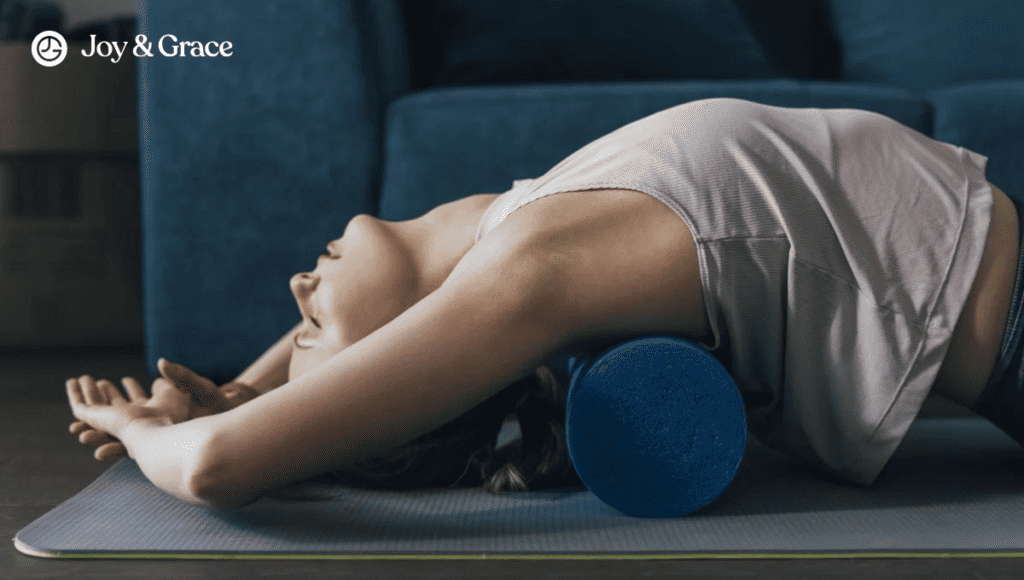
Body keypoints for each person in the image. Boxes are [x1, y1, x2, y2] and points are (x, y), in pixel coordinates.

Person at [65, 97, 1023, 510]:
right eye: (317, 329)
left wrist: (243, 388)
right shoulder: (537, 275)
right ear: (434, 347)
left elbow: (331, 345)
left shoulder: (510, 223)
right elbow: (218, 471)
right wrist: (140, 427)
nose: (297, 290)